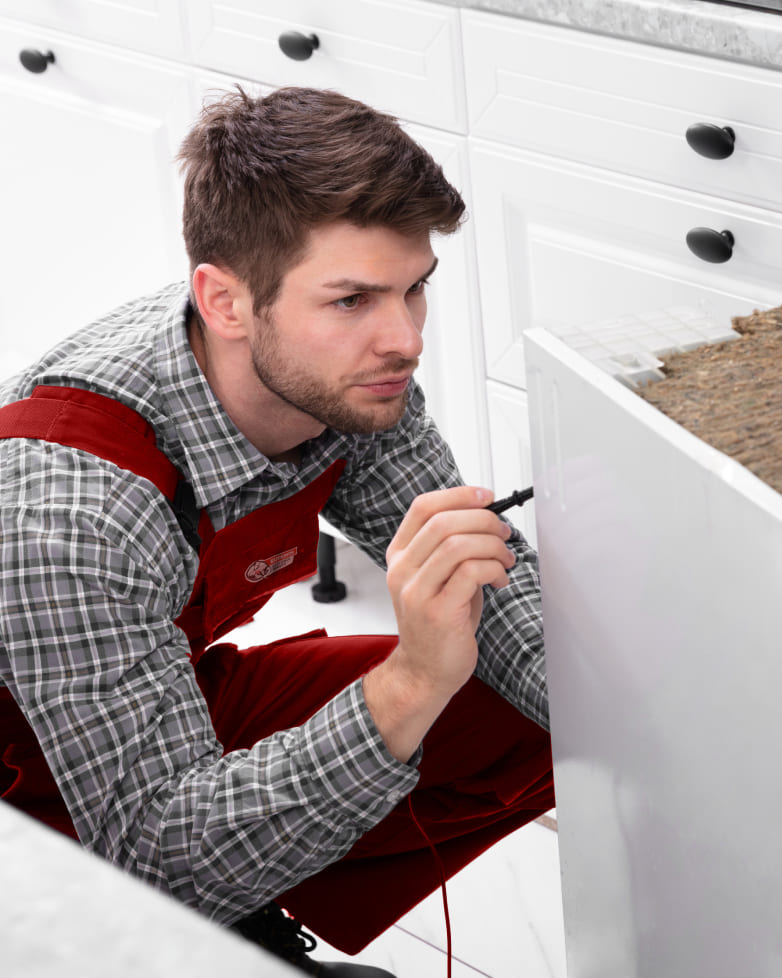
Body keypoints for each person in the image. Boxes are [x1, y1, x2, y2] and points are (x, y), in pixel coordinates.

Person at [0, 87, 553, 976]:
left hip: (149, 701)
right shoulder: (72, 504)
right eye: (353, 300)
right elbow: (147, 853)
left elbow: (504, 600)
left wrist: (675, 728)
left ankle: (251, 908)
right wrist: (409, 684)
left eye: (415, 291)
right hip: (32, 799)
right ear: (224, 300)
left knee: (533, 708)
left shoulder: (332, 375)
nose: (404, 339)